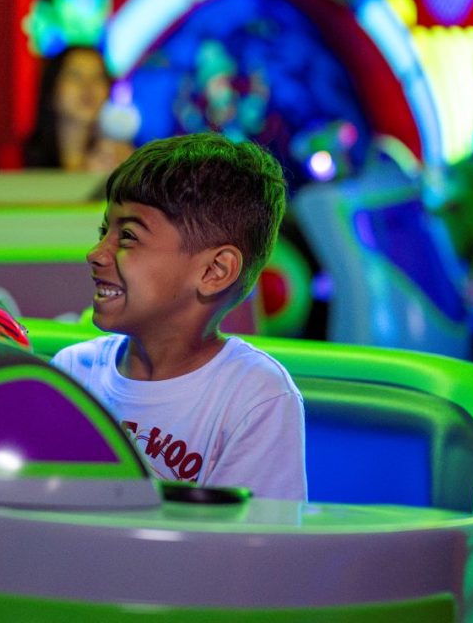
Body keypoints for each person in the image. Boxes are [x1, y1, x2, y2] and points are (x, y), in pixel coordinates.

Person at [50, 134, 306, 501]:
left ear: (215, 271)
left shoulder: (256, 397)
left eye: (127, 237)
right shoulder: (72, 372)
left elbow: (251, 547)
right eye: (103, 231)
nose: (95, 253)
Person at [21, 45, 134, 173]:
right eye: (75, 76)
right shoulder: (18, 162)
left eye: (98, 77)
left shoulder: (121, 159)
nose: (88, 86)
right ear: (51, 89)